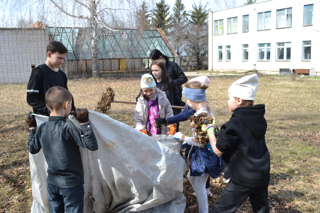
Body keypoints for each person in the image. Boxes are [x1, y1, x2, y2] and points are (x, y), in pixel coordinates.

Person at [26, 86, 98, 213]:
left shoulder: (42, 128)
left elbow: (32, 148)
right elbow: (91, 145)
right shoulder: (67, 127)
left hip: (52, 183)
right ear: (66, 104)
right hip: (71, 185)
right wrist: (84, 122)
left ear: (48, 106)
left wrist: (32, 128)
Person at [210, 74, 270, 213]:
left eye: (229, 98)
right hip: (262, 172)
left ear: (239, 100)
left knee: (220, 210)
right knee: (261, 209)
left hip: (244, 176)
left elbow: (218, 149)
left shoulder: (234, 124)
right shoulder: (259, 119)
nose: (227, 101)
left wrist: (210, 132)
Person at [174, 78, 224, 213]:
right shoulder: (204, 111)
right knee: (191, 177)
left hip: (206, 157)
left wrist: (182, 138)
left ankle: (203, 210)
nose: (187, 103)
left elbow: (199, 141)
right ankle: (201, 205)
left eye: (187, 100)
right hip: (202, 155)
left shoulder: (202, 116)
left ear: (192, 100)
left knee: (200, 186)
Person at [27, 41, 75, 116]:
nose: (62, 61)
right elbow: (32, 98)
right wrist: (49, 112)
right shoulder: (38, 72)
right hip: (44, 120)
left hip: (61, 120)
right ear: (49, 54)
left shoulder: (62, 75)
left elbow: (67, 96)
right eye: (59, 58)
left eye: (63, 59)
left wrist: (72, 111)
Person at [150, 58, 185, 131]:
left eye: (156, 70)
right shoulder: (149, 83)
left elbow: (176, 99)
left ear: (162, 70)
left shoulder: (170, 83)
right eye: (152, 70)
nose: (154, 73)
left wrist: (186, 106)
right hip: (153, 115)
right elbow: (141, 96)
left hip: (167, 116)